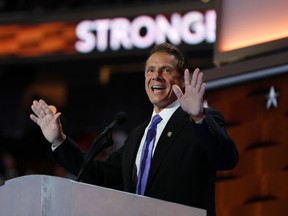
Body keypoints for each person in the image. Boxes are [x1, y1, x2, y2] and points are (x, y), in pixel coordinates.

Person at [30, 43, 238, 216]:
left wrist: (198, 117)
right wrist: (60, 141)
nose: (156, 76)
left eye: (166, 70)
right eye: (150, 70)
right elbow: (98, 175)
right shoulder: (139, 135)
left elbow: (226, 158)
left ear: (182, 81)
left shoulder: (199, 121)